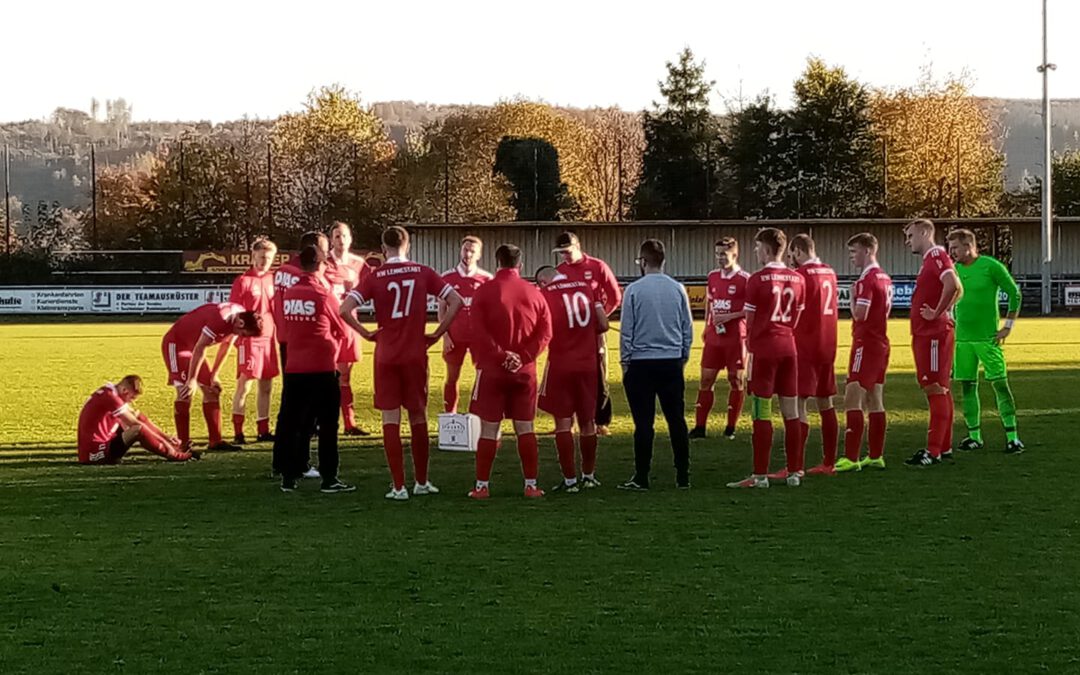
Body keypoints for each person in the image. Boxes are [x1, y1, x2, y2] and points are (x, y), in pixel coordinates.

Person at [340, 226, 464, 501]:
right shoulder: (423, 271)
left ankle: (398, 487)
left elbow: (344, 309)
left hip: (386, 355)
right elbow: (456, 301)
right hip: (415, 353)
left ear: (384, 249)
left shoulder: (376, 276)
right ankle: (421, 481)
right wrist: (438, 333)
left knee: (390, 418)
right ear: (407, 246)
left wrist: (365, 333)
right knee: (418, 415)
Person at [467, 244, 553, 500]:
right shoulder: (535, 293)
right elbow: (546, 332)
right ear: (521, 265)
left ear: (497, 262)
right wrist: (523, 356)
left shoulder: (484, 291)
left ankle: (482, 486)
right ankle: (530, 485)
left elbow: (478, 330)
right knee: (525, 428)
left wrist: (500, 355)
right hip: (524, 371)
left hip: (493, 369)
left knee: (489, 429)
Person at [727, 228, 806, 489]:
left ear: (766, 249)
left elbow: (749, 320)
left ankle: (760, 475)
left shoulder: (757, 280)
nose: (755, 251)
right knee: (791, 412)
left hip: (764, 350)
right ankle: (795, 472)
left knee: (761, 413)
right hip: (789, 348)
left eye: (757, 247)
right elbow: (796, 317)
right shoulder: (797, 278)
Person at [273, 245, 355, 493]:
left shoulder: (290, 294)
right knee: (328, 425)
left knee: (294, 422)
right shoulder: (323, 294)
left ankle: (289, 476)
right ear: (320, 266)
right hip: (321, 368)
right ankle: (329, 478)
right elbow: (341, 328)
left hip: (295, 368)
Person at [617, 239, 693, 491]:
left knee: (644, 423)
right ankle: (683, 475)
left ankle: (642, 475)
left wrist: (625, 362)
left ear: (643, 261)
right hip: (670, 361)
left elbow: (627, 329)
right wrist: (682, 355)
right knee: (676, 420)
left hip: (641, 362)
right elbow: (687, 327)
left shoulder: (634, 290)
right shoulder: (678, 288)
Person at [947, 228, 1025, 454]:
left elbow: (1014, 293)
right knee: (967, 386)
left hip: (987, 338)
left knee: (1000, 384)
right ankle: (974, 436)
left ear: (968, 246)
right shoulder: (955, 270)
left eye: (955, 248)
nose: (952, 253)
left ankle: (1012, 437)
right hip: (962, 340)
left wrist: (1008, 326)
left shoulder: (991, 266)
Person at [536, 265, 609, 493]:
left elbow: (543, 331)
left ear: (542, 281)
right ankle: (589, 476)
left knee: (563, 423)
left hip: (560, 364)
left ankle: (569, 481)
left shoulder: (546, 294)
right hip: (587, 365)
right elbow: (604, 324)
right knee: (588, 423)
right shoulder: (587, 287)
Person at [162, 302, 262, 452]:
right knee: (185, 392)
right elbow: (201, 347)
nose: (241, 337)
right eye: (243, 334)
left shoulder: (237, 318)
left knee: (212, 390)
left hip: (193, 348)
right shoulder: (221, 319)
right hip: (177, 345)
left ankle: (215, 441)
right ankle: (183, 444)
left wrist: (214, 374)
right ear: (241, 323)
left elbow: (226, 346)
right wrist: (192, 380)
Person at [903, 218, 963, 467]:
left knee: (935, 388)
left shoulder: (937, 255)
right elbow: (958, 290)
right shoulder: (932, 260)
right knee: (940, 388)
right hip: (930, 333)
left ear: (925, 232)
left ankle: (933, 450)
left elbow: (954, 285)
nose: (908, 241)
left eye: (911, 235)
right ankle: (943, 445)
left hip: (933, 335)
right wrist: (944, 309)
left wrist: (938, 313)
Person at [835, 233, 893, 473]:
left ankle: (851, 457)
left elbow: (860, 314)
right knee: (875, 398)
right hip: (881, 343)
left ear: (868, 251)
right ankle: (876, 455)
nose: (851, 257)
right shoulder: (885, 278)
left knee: (852, 396)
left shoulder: (866, 281)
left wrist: (851, 298)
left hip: (865, 343)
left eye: (854, 252)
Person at [554, 231, 621, 436]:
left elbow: (614, 295)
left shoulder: (597, 267)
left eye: (567, 251)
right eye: (561, 253)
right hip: (570, 334)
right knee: (568, 375)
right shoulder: (560, 271)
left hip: (593, 333)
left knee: (599, 374)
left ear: (577, 246)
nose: (565, 256)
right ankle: (569, 420)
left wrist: (600, 319)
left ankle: (601, 421)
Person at [787, 234, 840, 477]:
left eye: (792, 255)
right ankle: (829, 461)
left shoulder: (800, 277)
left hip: (805, 345)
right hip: (828, 344)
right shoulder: (829, 272)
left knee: (798, 403)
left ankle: (795, 466)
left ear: (798, 251)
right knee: (825, 402)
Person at [690, 236, 749, 441]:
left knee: (736, 379)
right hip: (715, 337)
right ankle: (699, 427)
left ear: (735, 254)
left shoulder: (745, 279)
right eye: (717, 254)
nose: (719, 258)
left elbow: (750, 311)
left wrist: (729, 316)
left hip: (736, 338)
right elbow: (711, 302)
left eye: (723, 254)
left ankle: (731, 427)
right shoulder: (712, 277)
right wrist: (708, 325)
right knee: (706, 379)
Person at [229, 237, 280, 445]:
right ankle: (238, 431)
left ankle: (263, 429)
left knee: (266, 385)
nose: (264, 262)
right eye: (260, 258)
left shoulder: (273, 280)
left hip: (269, 338)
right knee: (245, 385)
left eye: (268, 258)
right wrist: (237, 338)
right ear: (253, 257)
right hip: (249, 340)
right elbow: (234, 312)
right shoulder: (243, 281)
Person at [78, 375, 195, 464]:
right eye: (132, 397)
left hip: (102, 444)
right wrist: (166, 444)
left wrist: (166, 438)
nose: (132, 401)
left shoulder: (110, 391)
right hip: (94, 454)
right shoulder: (111, 398)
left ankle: (173, 448)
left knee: (137, 416)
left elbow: (136, 417)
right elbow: (134, 423)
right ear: (124, 391)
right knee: (137, 429)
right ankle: (173, 454)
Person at [325, 221, 372, 436]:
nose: (340, 240)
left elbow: (371, 289)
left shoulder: (359, 264)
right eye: (336, 236)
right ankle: (322, 422)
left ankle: (349, 423)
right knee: (325, 376)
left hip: (349, 325)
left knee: (345, 375)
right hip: (327, 326)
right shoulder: (323, 263)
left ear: (350, 239)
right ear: (330, 240)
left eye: (344, 236)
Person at [440, 235, 493, 413]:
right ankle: (450, 416)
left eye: (472, 251)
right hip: (455, 336)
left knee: (481, 376)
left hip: (479, 338)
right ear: (460, 251)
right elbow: (442, 309)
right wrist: (445, 335)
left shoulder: (486, 279)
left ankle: (477, 414)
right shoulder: (447, 277)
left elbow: (491, 312)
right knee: (452, 377)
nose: (468, 254)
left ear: (479, 255)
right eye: (465, 250)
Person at [273, 231, 330, 372]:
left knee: (291, 387)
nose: (327, 255)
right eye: (325, 250)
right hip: (306, 340)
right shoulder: (306, 275)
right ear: (315, 250)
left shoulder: (281, 270)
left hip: (284, 337)